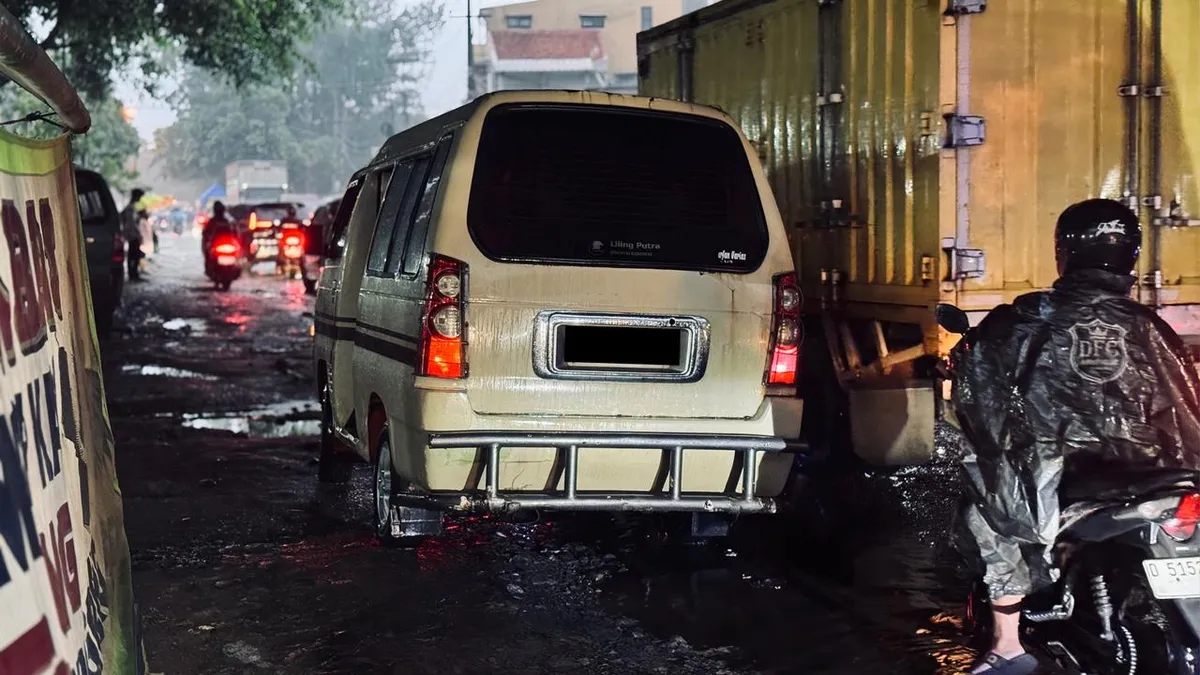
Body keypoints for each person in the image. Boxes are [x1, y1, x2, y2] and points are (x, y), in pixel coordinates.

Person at [951, 198, 1200, 674]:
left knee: (990, 503)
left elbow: (978, 400)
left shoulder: (1024, 317)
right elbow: (1187, 409)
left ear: (1064, 252)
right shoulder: (1152, 327)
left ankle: (1007, 647)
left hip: (1062, 476)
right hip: (1151, 473)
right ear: (1131, 255)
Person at [120, 189, 146, 281]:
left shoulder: (130, 208)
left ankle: (133, 273)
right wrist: (138, 235)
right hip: (133, 235)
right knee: (134, 255)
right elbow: (131, 224)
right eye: (140, 196)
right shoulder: (130, 208)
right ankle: (133, 274)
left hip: (131, 234)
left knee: (133, 254)